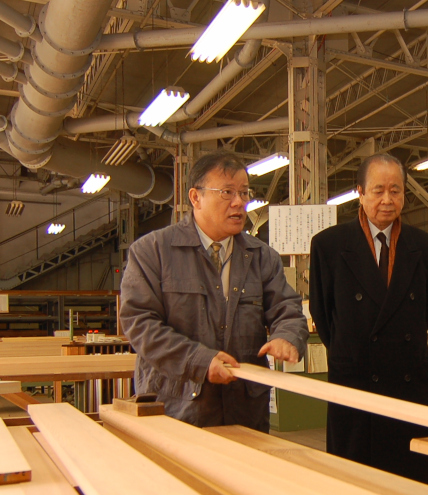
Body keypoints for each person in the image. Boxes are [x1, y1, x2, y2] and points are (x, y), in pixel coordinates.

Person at [120, 150, 308, 432]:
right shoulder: (152, 252)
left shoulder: (262, 257)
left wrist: (287, 336)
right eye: (227, 192)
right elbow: (139, 323)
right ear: (196, 198)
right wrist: (200, 362)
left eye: (244, 193)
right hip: (177, 408)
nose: (239, 203)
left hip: (245, 413)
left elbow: (287, 309)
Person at [309, 153, 428, 485]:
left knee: (411, 489)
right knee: (356, 488)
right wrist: (351, 351)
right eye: (378, 190)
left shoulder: (426, 248)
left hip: (408, 384)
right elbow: (324, 317)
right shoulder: (329, 246)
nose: (387, 200)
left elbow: (424, 313)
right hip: (356, 384)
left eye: (395, 191)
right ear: (360, 192)